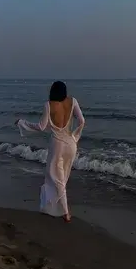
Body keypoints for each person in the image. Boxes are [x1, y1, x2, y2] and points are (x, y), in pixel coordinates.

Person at [15, 81, 85, 222]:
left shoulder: (49, 105)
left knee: (56, 178)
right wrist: (74, 137)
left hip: (57, 145)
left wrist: (22, 123)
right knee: (63, 177)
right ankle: (53, 207)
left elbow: (41, 127)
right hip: (71, 144)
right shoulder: (73, 101)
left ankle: (65, 213)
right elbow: (82, 121)